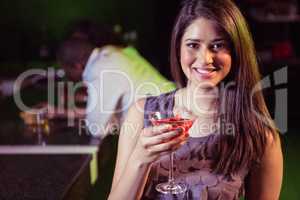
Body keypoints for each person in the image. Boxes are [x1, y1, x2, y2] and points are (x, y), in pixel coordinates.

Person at [108, 0, 283, 199]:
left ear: (236, 51)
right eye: (193, 45)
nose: (205, 59)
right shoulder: (141, 113)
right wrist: (140, 159)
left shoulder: (260, 135)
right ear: (178, 48)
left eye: (217, 46)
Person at [56, 38, 176, 138]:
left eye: (66, 71)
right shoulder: (110, 52)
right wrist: (64, 112)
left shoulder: (100, 69)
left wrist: (66, 114)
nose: (67, 77)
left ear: (77, 66)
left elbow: (97, 127)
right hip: (172, 110)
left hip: (166, 124)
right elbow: (107, 111)